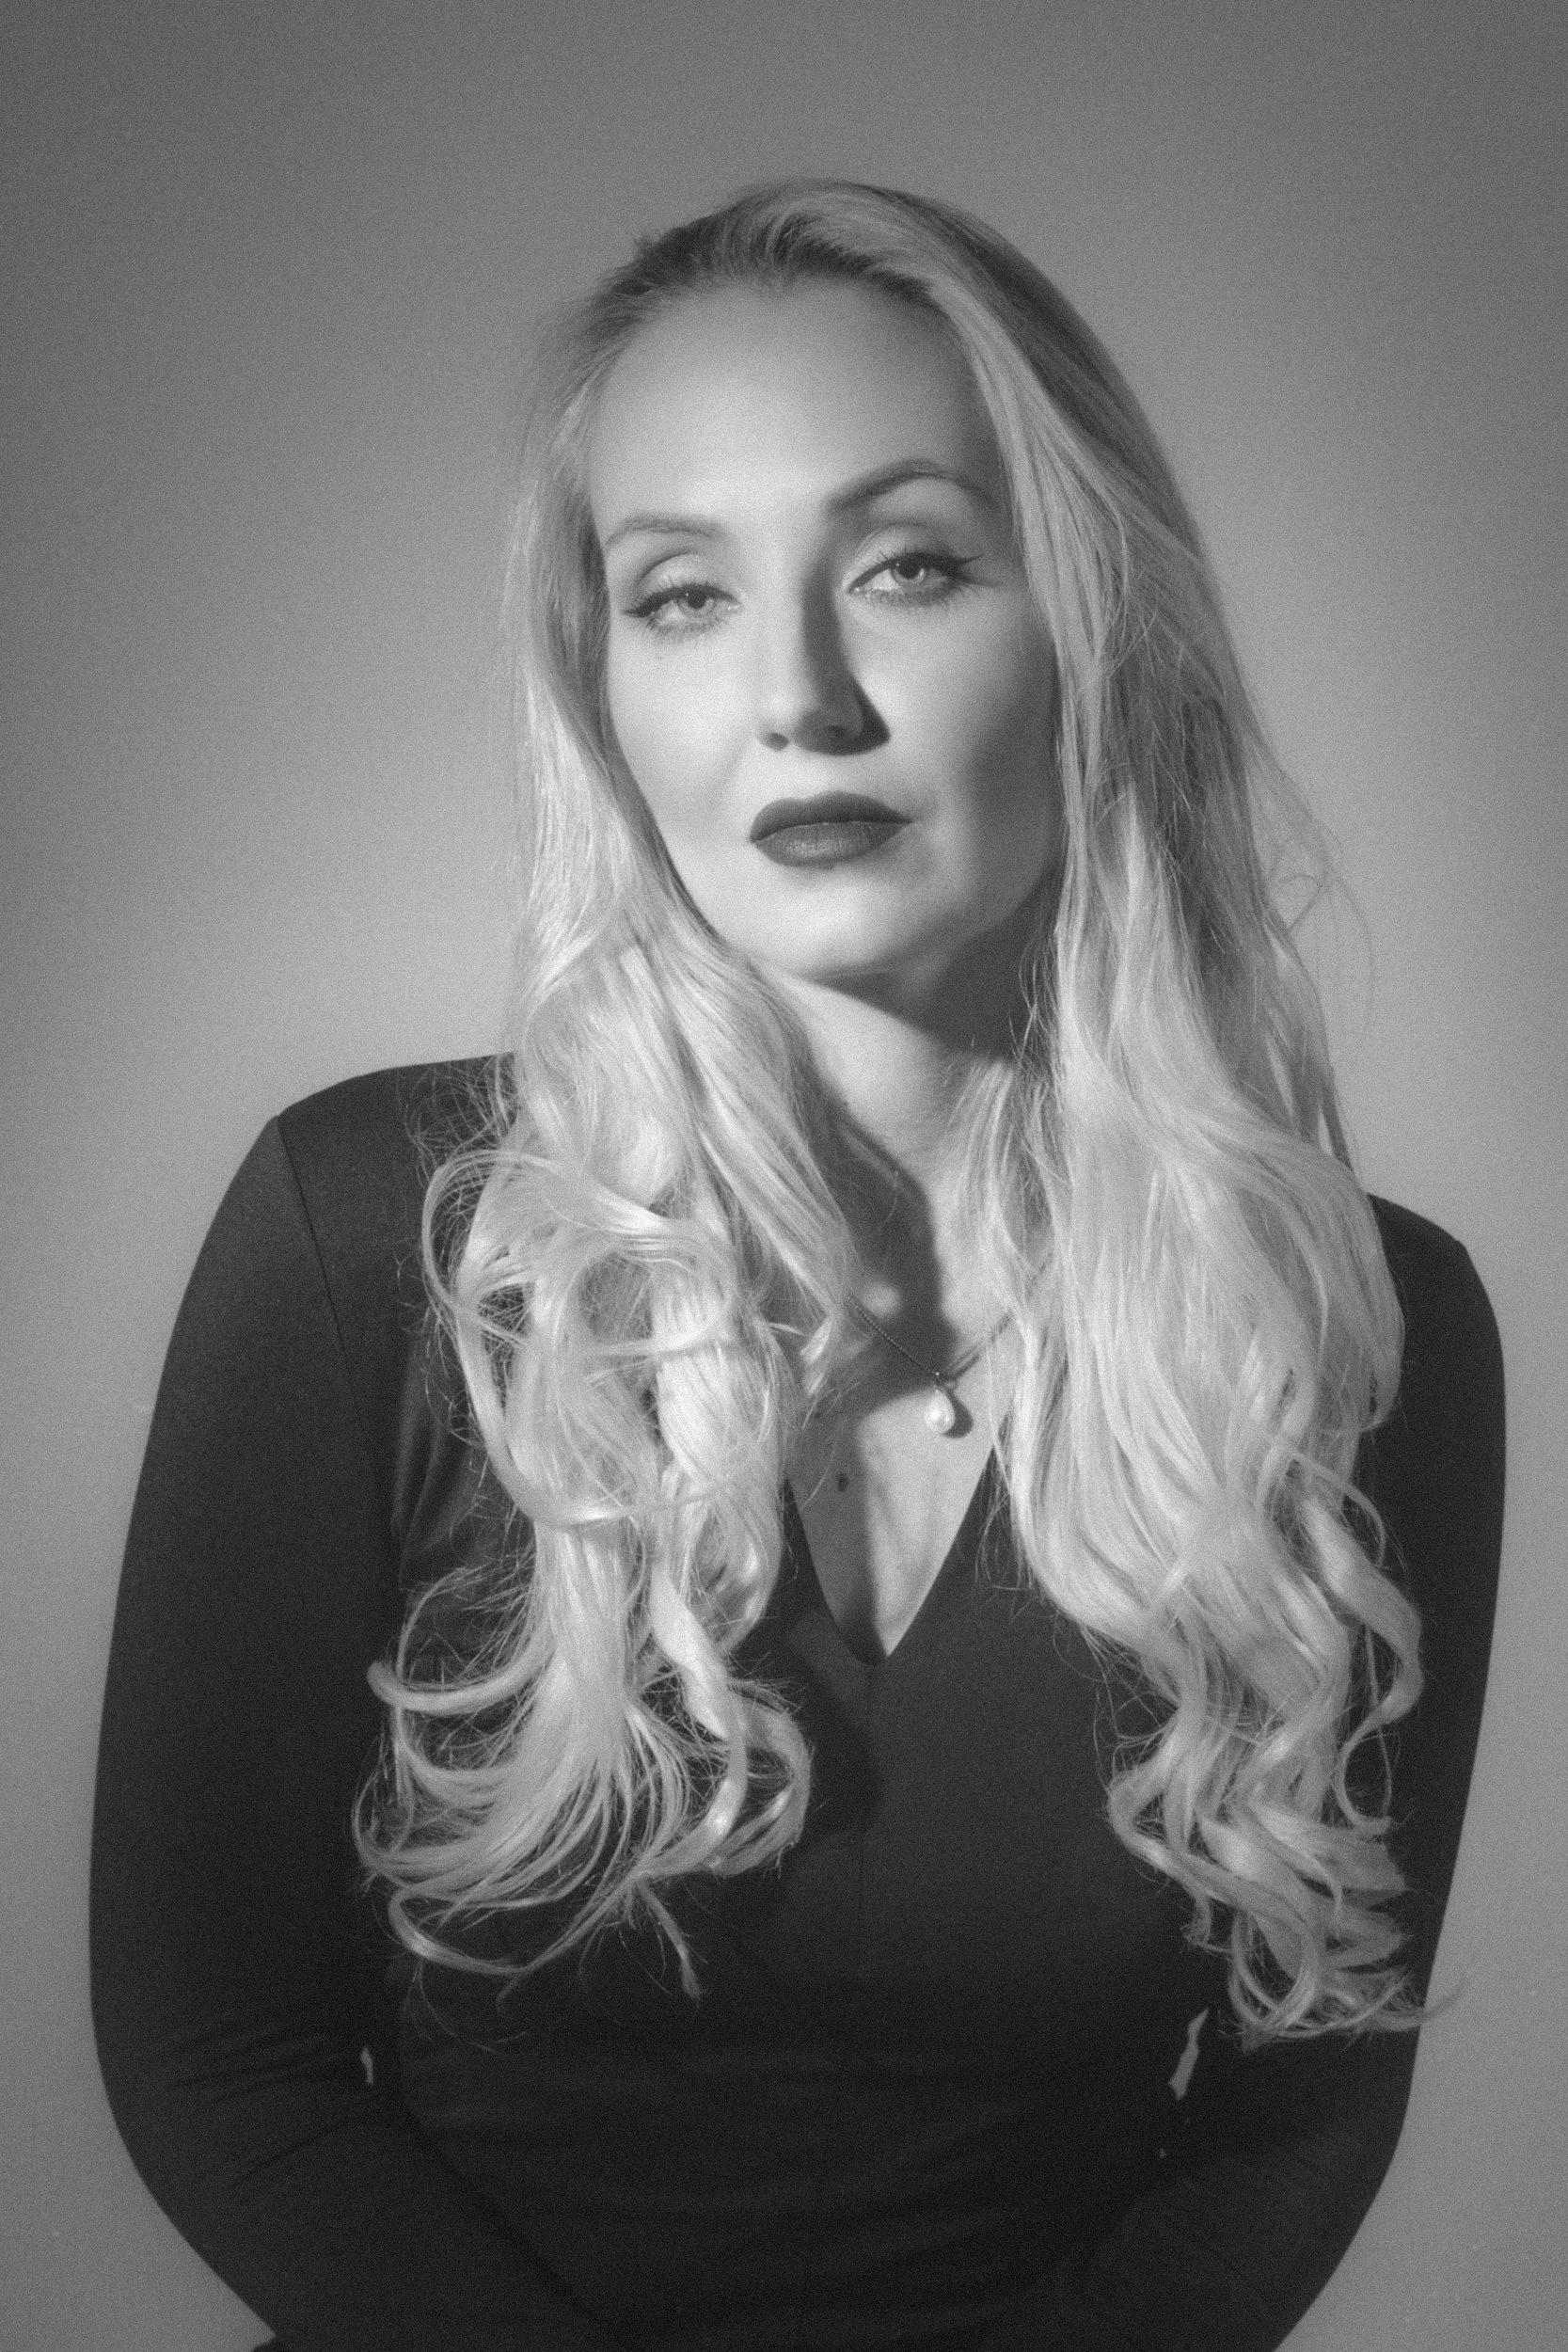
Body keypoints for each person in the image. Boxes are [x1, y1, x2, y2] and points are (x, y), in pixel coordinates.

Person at [90, 181, 1506, 2352]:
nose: (794, 695)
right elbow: (220, 2057)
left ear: (1093, 623)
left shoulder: (1356, 1330)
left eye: (907, 565)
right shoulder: (369, 1230)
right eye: (679, 593)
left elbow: (1306, 2104)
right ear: (602, 684)